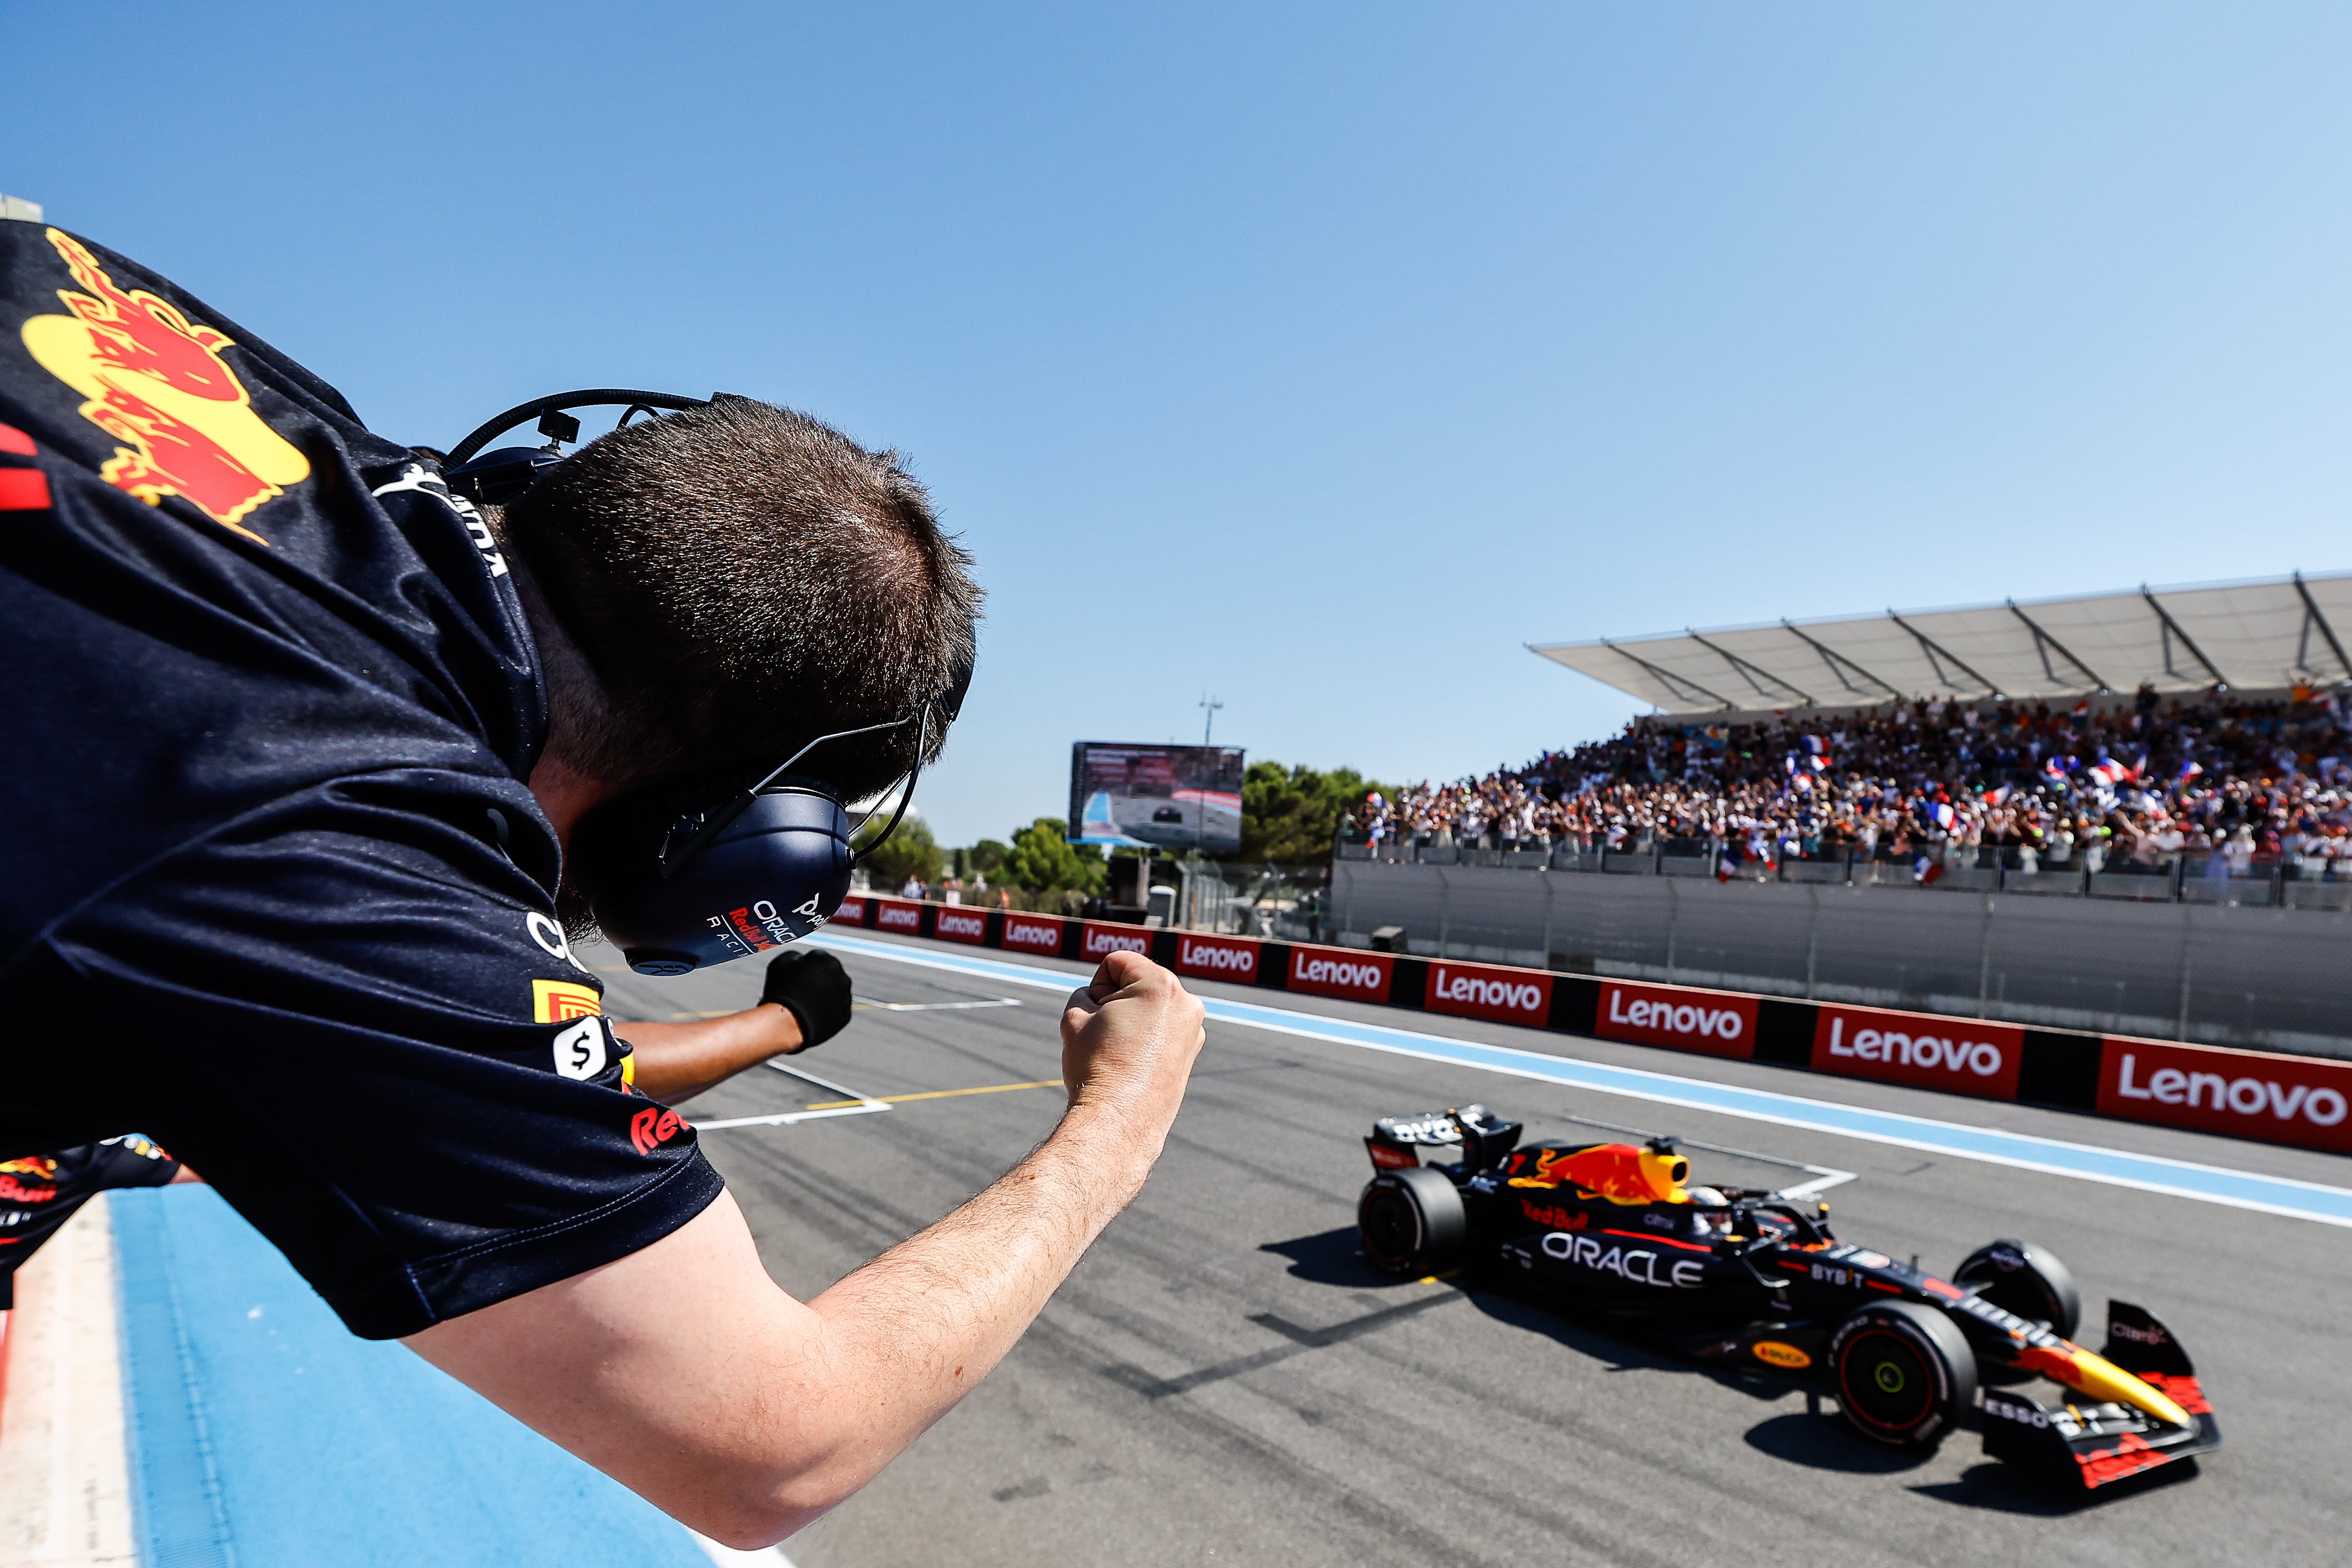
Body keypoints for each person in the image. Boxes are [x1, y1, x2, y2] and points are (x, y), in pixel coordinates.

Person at [0, 222, 1204, 1548]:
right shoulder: (331, 831)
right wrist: (1121, 1118)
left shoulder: (179, 347)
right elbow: (780, 1450)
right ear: (726, 832)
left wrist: (777, 1029)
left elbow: (467, 1051)